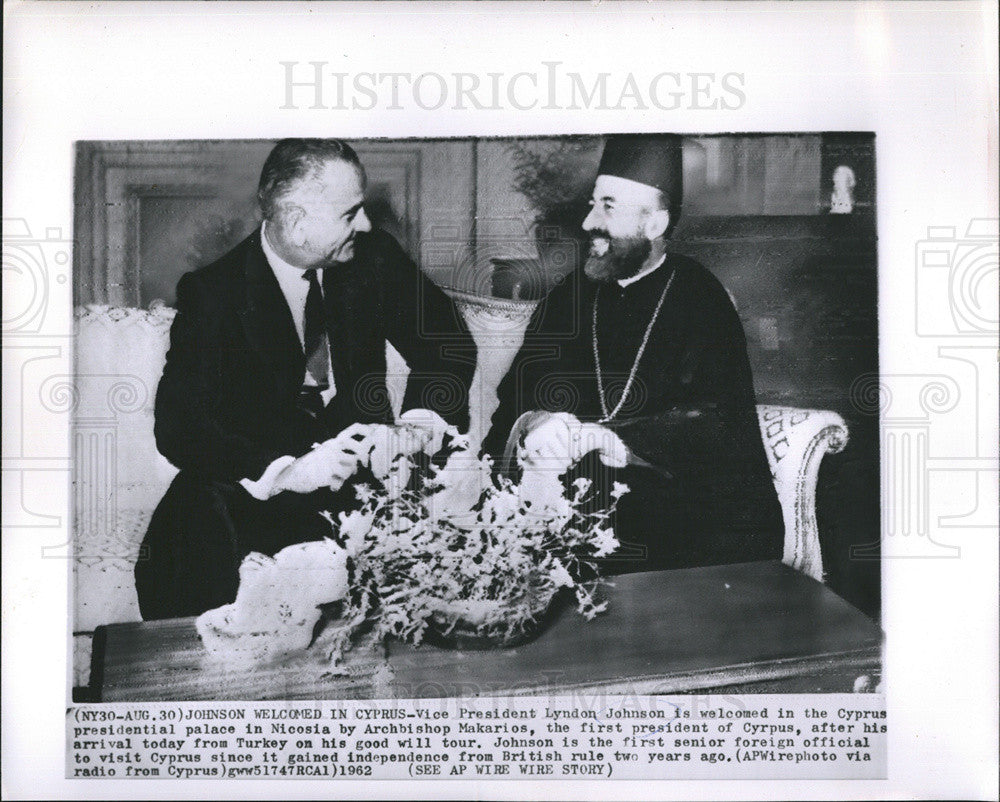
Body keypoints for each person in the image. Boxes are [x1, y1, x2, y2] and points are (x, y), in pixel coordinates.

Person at [135, 139, 476, 620]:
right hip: (254, 496)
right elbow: (179, 425)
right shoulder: (214, 293)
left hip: (360, 490)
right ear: (296, 222)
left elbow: (447, 342)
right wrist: (287, 471)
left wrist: (416, 425)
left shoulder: (372, 258)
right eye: (350, 213)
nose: (367, 224)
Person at [485, 134, 784, 573]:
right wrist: (540, 423)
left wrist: (616, 440)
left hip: (675, 519)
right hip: (570, 504)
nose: (588, 223)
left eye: (607, 206)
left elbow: (721, 426)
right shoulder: (571, 295)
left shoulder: (699, 296)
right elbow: (514, 399)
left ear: (655, 225)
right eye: (592, 204)